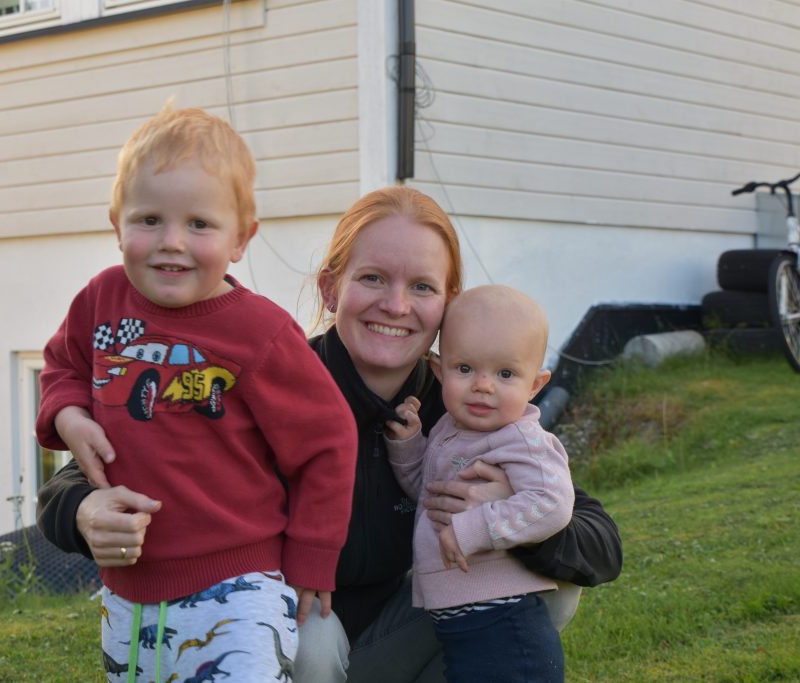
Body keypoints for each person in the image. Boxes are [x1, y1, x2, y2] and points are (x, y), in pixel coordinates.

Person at [38, 186, 623, 683]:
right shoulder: (270, 374)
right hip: (301, 632)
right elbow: (75, 478)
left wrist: (508, 517)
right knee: (312, 637)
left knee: (554, 584)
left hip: (410, 617)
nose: (395, 305)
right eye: (372, 278)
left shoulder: (465, 401)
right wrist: (85, 508)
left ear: (448, 305)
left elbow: (599, 539)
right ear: (329, 289)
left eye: (421, 287)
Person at [35, 104, 358, 683]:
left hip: (238, 587)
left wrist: (313, 560)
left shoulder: (259, 331)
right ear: (117, 224)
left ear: (241, 238)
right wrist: (69, 416)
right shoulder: (100, 300)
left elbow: (327, 441)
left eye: (200, 225)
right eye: (149, 219)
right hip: (128, 585)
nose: (172, 243)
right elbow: (62, 364)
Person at [384, 285, 574, 682]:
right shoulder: (450, 429)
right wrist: (408, 446)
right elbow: (430, 496)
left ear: (535, 384)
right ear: (439, 371)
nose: (483, 386)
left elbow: (552, 502)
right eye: (465, 369)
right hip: (464, 622)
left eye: (505, 374)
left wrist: (474, 528)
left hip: (504, 622)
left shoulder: (522, 440)